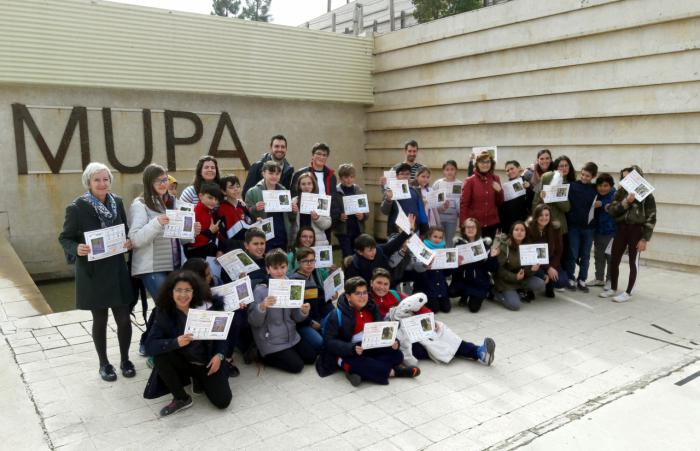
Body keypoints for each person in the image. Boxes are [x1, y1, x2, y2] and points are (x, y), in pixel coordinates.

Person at [58, 162, 135, 382]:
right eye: (97, 180)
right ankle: (104, 364)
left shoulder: (117, 202)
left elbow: (124, 230)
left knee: (124, 319)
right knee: (99, 319)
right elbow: (65, 237)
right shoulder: (77, 207)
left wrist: (128, 241)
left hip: (116, 269)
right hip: (93, 272)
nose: (102, 183)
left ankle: (125, 360)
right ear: (89, 183)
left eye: (105, 179)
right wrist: (77, 249)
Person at [129, 164, 201, 355]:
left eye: (164, 179)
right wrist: (156, 223)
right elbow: (135, 239)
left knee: (167, 305)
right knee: (167, 304)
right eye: (157, 180)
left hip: (175, 264)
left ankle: (159, 343)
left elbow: (182, 239)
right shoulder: (140, 204)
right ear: (148, 182)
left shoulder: (174, 202)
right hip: (152, 267)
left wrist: (192, 232)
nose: (162, 184)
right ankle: (151, 343)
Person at [143, 270, 232, 416]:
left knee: (223, 402)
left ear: (194, 291)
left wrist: (220, 355)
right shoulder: (164, 312)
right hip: (182, 361)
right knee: (160, 354)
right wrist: (175, 342)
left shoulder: (210, 306)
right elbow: (149, 346)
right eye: (178, 290)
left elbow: (223, 336)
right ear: (171, 292)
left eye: (187, 290)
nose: (182, 295)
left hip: (207, 362)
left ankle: (199, 380)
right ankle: (181, 398)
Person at [316, 276, 420, 386]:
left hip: (371, 346)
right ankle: (396, 372)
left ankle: (355, 371)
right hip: (350, 351)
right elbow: (330, 342)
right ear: (348, 297)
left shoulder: (372, 307)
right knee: (373, 366)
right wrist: (351, 348)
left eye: (365, 292)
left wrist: (394, 341)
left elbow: (382, 329)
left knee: (397, 355)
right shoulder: (336, 315)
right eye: (357, 293)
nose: (362, 297)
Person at [247, 250, 317, 373]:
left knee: (311, 357)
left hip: (292, 336)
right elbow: (254, 322)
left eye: (283, 267)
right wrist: (262, 307)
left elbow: (296, 318)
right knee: (297, 366)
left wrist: (303, 311)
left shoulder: (293, 286)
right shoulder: (260, 290)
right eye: (275, 268)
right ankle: (260, 354)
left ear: (287, 267)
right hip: (270, 341)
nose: (279, 271)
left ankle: (288, 352)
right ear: (268, 269)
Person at [386, 292, 496, 367]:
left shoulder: (394, 294)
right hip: (395, 336)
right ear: (372, 283)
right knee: (430, 346)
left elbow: (419, 306)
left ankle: (478, 352)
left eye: (385, 284)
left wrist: (430, 320)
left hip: (413, 326)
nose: (382, 287)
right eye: (379, 283)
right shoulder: (371, 300)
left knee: (441, 330)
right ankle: (476, 353)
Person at [600, 166, 657, 303]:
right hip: (621, 229)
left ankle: (628, 292)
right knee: (614, 259)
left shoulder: (647, 194)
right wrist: (627, 202)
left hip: (636, 231)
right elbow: (613, 211)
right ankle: (613, 288)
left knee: (633, 262)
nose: (625, 180)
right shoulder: (620, 193)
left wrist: (644, 239)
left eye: (629, 177)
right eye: (623, 177)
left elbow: (651, 218)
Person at [493, 222, 547, 311]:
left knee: (540, 283)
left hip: (521, 279)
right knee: (515, 306)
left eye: (522, 230)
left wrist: (532, 270)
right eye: (516, 230)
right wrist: (515, 277)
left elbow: (527, 271)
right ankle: (494, 291)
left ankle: (519, 291)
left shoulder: (528, 246)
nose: (519, 232)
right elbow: (498, 270)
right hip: (506, 281)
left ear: (526, 233)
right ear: (512, 232)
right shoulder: (504, 247)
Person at [450, 218, 500, 313]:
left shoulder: (484, 245)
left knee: (473, 308)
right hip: (462, 280)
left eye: (473, 227)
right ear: (464, 229)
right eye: (468, 227)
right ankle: (465, 295)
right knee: (451, 292)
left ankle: (481, 293)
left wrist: (492, 257)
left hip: (478, 282)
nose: (470, 229)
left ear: (478, 229)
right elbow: (452, 269)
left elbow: (493, 268)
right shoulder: (458, 245)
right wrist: (455, 263)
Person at [290, 247, 334, 352]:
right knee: (320, 344)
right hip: (303, 323)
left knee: (336, 333)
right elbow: (293, 311)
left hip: (318, 319)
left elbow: (322, 301)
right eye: (305, 261)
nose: (309, 264)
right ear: (298, 262)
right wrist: (310, 322)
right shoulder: (294, 281)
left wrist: (332, 313)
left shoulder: (313, 277)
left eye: (312, 261)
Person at [564, 162, 599, 292]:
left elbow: (610, 192)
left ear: (593, 176)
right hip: (573, 227)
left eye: (588, 176)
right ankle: (570, 278)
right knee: (572, 254)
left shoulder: (595, 189)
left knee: (585, 255)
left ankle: (582, 279)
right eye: (583, 174)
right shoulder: (572, 186)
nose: (584, 177)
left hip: (589, 228)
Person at [244, 161, 291, 252]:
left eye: (277, 174)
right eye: (271, 173)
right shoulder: (252, 191)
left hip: (281, 235)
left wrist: (293, 210)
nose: (274, 176)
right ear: (263, 173)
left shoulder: (283, 190)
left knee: (280, 262)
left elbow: (289, 216)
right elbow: (246, 215)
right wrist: (254, 208)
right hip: (263, 237)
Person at [459, 151, 504, 239]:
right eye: (482, 162)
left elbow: (500, 202)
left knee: (489, 251)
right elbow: (464, 205)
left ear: (491, 163)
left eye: (487, 162)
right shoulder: (470, 181)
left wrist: (499, 191)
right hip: (475, 225)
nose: (485, 164)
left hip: (492, 224)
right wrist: (463, 224)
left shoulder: (496, 178)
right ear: (477, 164)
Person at [343, 225, 411, 284]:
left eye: (374, 248)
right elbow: (353, 287)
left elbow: (394, 244)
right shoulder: (354, 265)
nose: (373, 252)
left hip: (389, 282)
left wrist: (408, 230)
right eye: (370, 250)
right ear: (360, 252)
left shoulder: (379, 250)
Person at [527, 204, 567, 295]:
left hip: (550, 260)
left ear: (550, 216)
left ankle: (550, 285)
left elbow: (559, 251)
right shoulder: (529, 229)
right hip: (534, 262)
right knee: (540, 275)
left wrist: (551, 266)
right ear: (536, 216)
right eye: (541, 215)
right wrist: (547, 268)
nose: (544, 218)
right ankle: (529, 288)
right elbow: (530, 253)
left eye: (546, 215)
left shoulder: (555, 229)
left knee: (562, 281)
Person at [410, 226, 452, 313]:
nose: (437, 239)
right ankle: (423, 299)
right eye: (435, 236)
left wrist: (453, 265)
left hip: (440, 286)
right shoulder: (423, 248)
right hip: (426, 286)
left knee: (446, 308)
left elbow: (447, 273)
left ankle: (440, 297)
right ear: (429, 236)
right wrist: (425, 266)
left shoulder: (444, 249)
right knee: (434, 309)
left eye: (440, 237)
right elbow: (416, 270)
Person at [380, 163, 429, 236]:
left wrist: (424, 230)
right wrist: (388, 199)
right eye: (402, 174)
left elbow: (421, 213)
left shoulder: (415, 191)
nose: (405, 176)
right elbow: (384, 211)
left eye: (407, 174)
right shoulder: (390, 191)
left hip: (414, 231)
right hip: (396, 232)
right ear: (396, 176)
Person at [532, 155, 574, 235]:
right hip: (543, 222)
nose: (564, 168)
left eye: (566, 166)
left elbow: (567, 208)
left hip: (559, 224)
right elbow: (535, 200)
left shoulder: (570, 182)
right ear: (556, 167)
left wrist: (553, 195)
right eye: (561, 166)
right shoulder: (545, 176)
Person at [333, 163, 367, 258]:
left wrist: (363, 215)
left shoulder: (359, 191)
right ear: (340, 178)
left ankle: (358, 272)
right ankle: (347, 272)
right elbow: (333, 210)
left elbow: (366, 213)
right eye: (346, 177)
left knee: (359, 255)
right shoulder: (335, 192)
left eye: (351, 177)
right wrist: (339, 216)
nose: (349, 180)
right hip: (343, 231)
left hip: (358, 229)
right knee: (347, 255)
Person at [589, 173, 617, 289]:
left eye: (605, 186)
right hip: (598, 231)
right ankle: (599, 278)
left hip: (612, 233)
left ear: (611, 186)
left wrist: (603, 205)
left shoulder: (616, 195)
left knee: (611, 258)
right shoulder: (596, 195)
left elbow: (614, 207)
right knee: (599, 256)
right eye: (600, 185)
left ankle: (610, 280)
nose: (602, 188)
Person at [289, 172, 332, 246]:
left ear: (313, 185)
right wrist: (293, 213)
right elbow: (288, 222)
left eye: (309, 183)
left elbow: (327, 224)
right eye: (303, 184)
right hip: (299, 242)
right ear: (299, 186)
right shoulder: (294, 201)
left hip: (318, 242)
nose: (306, 186)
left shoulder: (321, 200)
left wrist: (317, 218)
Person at [184, 182, 223, 259]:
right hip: (197, 254)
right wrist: (210, 232)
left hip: (206, 251)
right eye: (210, 198)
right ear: (200, 196)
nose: (213, 202)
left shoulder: (209, 211)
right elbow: (189, 238)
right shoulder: (192, 213)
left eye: (216, 199)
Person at [432, 160, 462, 244]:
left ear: (456, 170)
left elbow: (460, 201)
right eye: (447, 169)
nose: (449, 172)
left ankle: (448, 256)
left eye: (452, 169)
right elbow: (432, 200)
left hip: (452, 218)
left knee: (449, 241)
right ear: (443, 171)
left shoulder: (459, 184)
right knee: (438, 241)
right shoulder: (438, 183)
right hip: (438, 217)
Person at [498, 160, 530, 235]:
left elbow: (532, 202)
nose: (510, 171)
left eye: (512, 168)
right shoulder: (505, 187)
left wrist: (529, 189)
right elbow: (502, 208)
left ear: (519, 168)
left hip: (525, 224)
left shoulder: (528, 182)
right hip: (509, 226)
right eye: (507, 170)